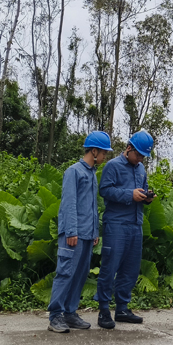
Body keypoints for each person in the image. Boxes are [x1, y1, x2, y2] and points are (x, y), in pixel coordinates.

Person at [47, 131, 113, 333]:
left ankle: (70, 312)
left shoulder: (92, 174)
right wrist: (71, 231)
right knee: (65, 273)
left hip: (87, 235)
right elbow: (69, 204)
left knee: (80, 274)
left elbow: (91, 206)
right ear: (94, 151)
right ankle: (55, 316)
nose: (105, 157)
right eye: (103, 153)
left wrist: (94, 232)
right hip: (73, 235)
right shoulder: (73, 172)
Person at [95, 130, 155, 329]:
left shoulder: (140, 169)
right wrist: (129, 195)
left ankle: (122, 308)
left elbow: (141, 191)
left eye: (143, 156)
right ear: (129, 148)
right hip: (116, 224)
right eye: (138, 154)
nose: (139, 159)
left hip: (135, 224)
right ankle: (104, 310)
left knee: (130, 268)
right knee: (109, 267)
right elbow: (105, 190)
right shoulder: (112, 166)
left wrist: (146, 197)